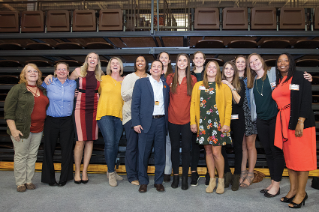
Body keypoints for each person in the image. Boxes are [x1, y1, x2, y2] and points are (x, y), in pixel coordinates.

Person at [272, 53, 316, 208]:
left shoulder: (300, 76)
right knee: (290, 159)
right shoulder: (279, 80)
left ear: (291, 63)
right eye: (280, 61)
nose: (282, 63)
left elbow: (306, 99)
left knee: (302, 160)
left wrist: (301, 121)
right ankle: (293, 190)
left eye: (286, 60)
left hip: (300, 123)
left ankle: (302, 193)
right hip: (285, 123)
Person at [4, 63, 49, 192]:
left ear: (39, 74)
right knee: (21, 156)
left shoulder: (42, 90)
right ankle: (20, 182)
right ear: (24, 75)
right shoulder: (17, 89)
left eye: (35, 71)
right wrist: (13, 129)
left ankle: (29, 180)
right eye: (29, 71)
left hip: (39, 129)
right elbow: (9, 111)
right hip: (22, 129)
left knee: (32, 155)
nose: (33, 73)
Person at [190, 60, 232, 194]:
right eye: (209, 67)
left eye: (214, 67)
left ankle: (221, 180)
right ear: (206, 69)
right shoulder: (198, 85)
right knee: (208, 152)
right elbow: (193, 104)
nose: (212, 69)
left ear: (217, 71)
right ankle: (212, 179)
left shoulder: (223, 86)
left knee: (216, 153)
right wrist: (193, 122)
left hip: (217, 123)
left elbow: (228, 105)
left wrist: (226, 123)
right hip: (203, 122)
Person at [131, 60, 169, 193]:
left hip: (161, 123)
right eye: (154, 66)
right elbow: (134, 104)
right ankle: (143, 182)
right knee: (143, 154)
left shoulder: (165, 85)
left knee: (160, 155)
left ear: (163, 71)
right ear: (150, 69)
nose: (156, 68)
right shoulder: (141, 83)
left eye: (159, 66)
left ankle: (158, 181)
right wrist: (135, 122)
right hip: (145, 123)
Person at [41, 62, 76, 187]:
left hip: (67, 121)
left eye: (64, 69)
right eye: (59, 69)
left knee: (67, 150)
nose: (62, 71)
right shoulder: (48, 83)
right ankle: (49, 178)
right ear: (55, 71)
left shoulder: (73, 84)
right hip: (51, 120)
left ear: (68, 72)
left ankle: (64, 177)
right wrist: (47, 76)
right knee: (48, 150)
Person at [166, 53, 197, 190]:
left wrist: (194, 121)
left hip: (187, 121)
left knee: (186, 150)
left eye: (185, 60)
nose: (182, 62)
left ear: (188, 63)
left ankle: (185, 177)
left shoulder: (193, 79)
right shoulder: (169, 78)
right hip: (172, 119)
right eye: (180, 60)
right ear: (176, 63)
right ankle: (176, 176)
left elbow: (195, 102)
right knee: (173, 149)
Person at [96, 57, 124, 187]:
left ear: (121, 66)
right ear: (109, 66)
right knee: (110, 142)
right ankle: (111, 172)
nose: (115, 64)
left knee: (115, 144)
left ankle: (110, 170)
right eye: (113, 63)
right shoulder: (102, 78)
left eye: (117, 63)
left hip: (119, 115)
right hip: (104, 114)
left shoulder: (125, 81)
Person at [121, 56, 149, 186]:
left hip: (145, 118)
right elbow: (124, 95)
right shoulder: (129, 77)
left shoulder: (150, 77)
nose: (140, 63)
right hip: (130, 117)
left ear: (146, 64)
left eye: (142, 61)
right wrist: (138, 86)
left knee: (142, 148)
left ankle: (141, 173)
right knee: (132, 147)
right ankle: (132, 176)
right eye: (138, 61)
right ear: (135, 64)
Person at [221, 61, 245, 191]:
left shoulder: (239, 83)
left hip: (238, 119)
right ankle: (227, 173)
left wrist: (230, 85)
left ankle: (236, 175)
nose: (229, 71)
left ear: (234, 71)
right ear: (223, 70)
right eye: (226, 68)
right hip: (224, 120)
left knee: (238, 148)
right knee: (222, 147)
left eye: (231, 69)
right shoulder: (219, 83)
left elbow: (239, 101)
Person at [235, 55, 258, 187]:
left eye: (243, 62)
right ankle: (242, 171)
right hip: (238, 115)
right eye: (238, 62)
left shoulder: (252, 78)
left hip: (250, 114)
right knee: (242, 145)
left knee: (250, 145)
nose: (241, 64)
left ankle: (250, 173)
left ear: (247, 64)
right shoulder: (232, 79)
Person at [190, 51, 208, 186]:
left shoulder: (210, 73)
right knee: (194, 146)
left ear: (204, 60)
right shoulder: (189, 75)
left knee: (209, 147)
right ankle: (194, 173)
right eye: (196, 58)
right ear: (193, 60)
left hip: (209, 114)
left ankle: (210, 173)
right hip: (194, 113)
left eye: (201, 58)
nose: (198, 60)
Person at [158, 52, 173, 182]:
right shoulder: (154, 74)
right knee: (159, 144)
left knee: (168, 143)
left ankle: (167, 170)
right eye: (161, 57)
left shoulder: (172, 76)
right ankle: (159, 169)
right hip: (157, 115)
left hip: (170, 114)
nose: (163, 59)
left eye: (165, 58)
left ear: (169, 61)